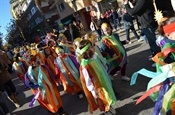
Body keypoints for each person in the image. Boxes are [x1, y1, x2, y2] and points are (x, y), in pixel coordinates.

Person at [78, 39, 117, 115]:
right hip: (97, 85)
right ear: (88, 49)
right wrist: (92, 90)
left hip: (104, 80)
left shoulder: (94, 56)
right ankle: (107, 110)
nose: (94, 47)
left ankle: (110, 107)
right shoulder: (85, 64)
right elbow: (87, 79)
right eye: (92, 46)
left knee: (108, 94)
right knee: (103, 98)